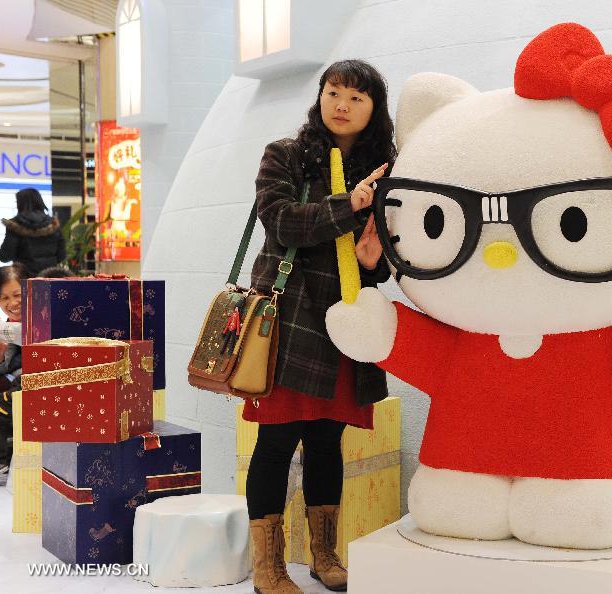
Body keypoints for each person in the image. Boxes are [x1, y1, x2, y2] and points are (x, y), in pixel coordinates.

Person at [244, 60, 395, 594]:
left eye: (356, 98)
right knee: (276, 440)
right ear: (321, 96)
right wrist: (348, 204)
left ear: (373, 108)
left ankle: (324, 556)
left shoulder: (386, 168)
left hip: (347, 323)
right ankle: (267, 566)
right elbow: (281, 220)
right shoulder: (285, 155)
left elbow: (391, 250)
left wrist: (376, 259)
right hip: (291, 317)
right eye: (334, 92)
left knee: (328, 441)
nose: (342, 105)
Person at [0, 264, 27, 483]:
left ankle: (0, 463)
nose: (12, 303)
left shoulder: (44, 319)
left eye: (17, 295)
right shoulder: (7, 326)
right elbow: (2, 368)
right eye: (4, 298)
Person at [0, 188, 66, 272]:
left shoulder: (15, 225)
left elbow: (5, 256)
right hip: (48, 277)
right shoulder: (53, 224)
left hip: (23, 278)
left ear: (20, 204)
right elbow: (62, 255)